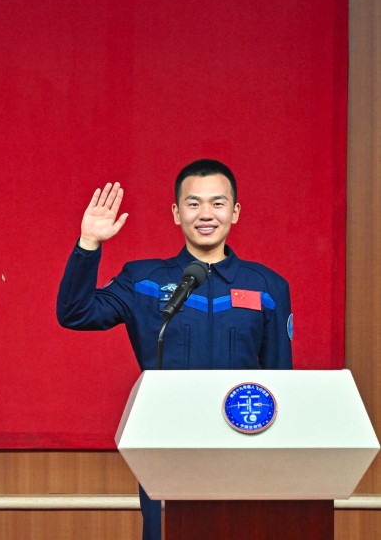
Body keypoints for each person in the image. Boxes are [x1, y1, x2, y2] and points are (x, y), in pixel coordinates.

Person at [55, 159, 293, 540]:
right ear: (176, 212)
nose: (205, 214)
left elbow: (282, 381)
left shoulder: (268, 286)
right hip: (165, 443)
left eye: (217, 203)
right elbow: (75, 313)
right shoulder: (145, 280)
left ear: (235, 212)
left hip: (243, 444)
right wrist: (89, 245)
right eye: (193, 203)